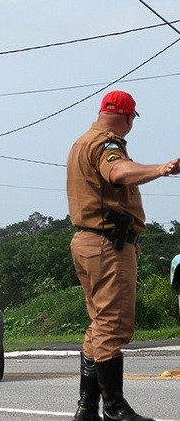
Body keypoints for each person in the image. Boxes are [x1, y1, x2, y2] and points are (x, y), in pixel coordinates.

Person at [66, 90, 180, 421]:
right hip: (107, 245)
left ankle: (87, 408)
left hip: (89, 243)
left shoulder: (81, 142)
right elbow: (118, 173)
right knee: (114, 327)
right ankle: (115, 408)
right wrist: (160, 169)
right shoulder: (106, 144)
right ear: (128, 117)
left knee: (99, 326)